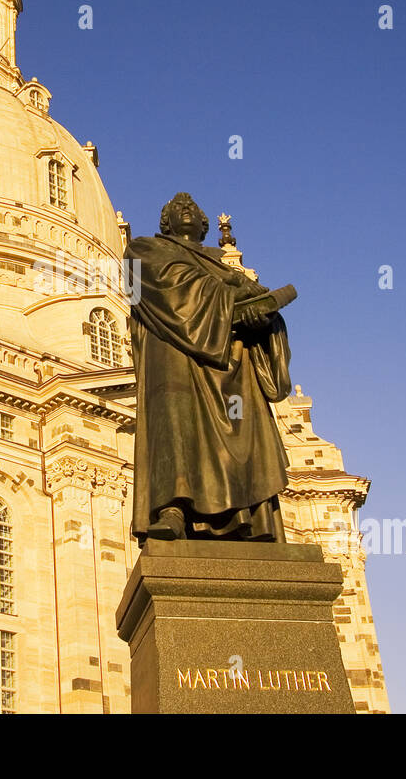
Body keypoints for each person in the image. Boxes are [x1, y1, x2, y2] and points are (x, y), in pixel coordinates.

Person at [124, 192, 293, 543]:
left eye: (192, 208)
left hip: (231, 364)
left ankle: (249, 517)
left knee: (241, 428)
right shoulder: (143, 250)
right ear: (165, 222)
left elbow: (264, 313)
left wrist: (259, 317)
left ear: (203, 225)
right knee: (174, 424)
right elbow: (163, 289)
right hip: (175, 353)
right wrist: (231, 300)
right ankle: (173, 508)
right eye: (176, 208)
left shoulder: (227, 267)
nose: (185, 208)